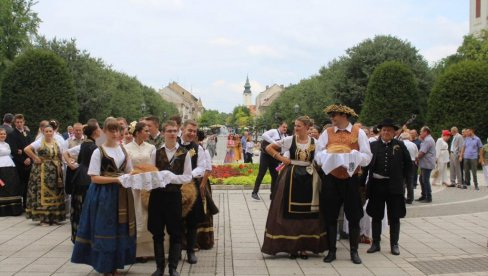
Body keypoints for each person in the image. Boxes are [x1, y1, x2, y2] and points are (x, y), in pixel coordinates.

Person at [71, 117, 136, 275]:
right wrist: (117, 179)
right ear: (104, 132)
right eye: (111, 130)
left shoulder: (123, 150)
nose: (115, 133)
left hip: (122, 194)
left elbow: (130, 171)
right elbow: (94, 177)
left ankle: (116, 264)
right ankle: (105, 266)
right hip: (103, 195)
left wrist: (135, 176)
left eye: (118, 130)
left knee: (119, 229)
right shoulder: (98, 151)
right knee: (105, 229)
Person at [261, 116, 327, 259]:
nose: (295, 128)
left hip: (309, 178)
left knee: (308, 212)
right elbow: (268, 147)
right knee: (288, 212)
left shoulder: (315, 142)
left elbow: (321, 158)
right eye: (295, 125)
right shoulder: (290, 140)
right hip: (291, 176)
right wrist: (281, 158)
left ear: (307, 127)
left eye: (299, 126)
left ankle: (304, 247)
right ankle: (292, 246)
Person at [315, 104, 372, 264]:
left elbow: (367, 157)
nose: (332, 118)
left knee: (354, 216)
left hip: (351, 178)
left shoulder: (358, 132)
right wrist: (325, 156)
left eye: (335, 115)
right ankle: (331, 251)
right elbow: (317, 154)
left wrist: (354, 156)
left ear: (345, 116)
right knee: (330, 215)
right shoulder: (327, 133)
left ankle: (354, 252)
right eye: (331, 115)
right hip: (331, 179)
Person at [148, 120, 192, 276]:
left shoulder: (184, 153)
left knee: (175, 232)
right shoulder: (156, 152)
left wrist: (171, 178)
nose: (172, 134)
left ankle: (173, 267)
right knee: (157, 232)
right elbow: (150, 175)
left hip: (174, 196)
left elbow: (187, 177)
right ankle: (160, 267)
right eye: (169, 131)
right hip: (157, 196)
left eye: (175, 131)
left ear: (178, 132)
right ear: (164, 133)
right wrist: (159, 178)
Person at [363, 119, 411, 256]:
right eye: (384, 130)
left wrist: (407, 183)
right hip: (377, 185)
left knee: (394, 216)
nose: (386, 132)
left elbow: (408, 165)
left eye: (389, 130)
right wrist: (361, 183)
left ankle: (394, 244)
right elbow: (366, 166)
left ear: (394, 132)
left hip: (394, 186)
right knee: (376, 215)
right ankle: (376, 243)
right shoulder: (373, 146)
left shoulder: (400, 145)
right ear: (380, 131)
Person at [124, 121, 157, 262]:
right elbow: (126, 167)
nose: (148, 133)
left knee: (147, 216)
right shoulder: (126, 148)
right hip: (133, 186)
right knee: (134, 215)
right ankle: (133, 250)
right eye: (146, 130)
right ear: (137, 133)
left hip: (148, 185)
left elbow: (154, 166)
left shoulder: (151, 148)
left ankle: (147, 250)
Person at [64, 119, 100, 242]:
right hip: (88, 177)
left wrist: (71, 163)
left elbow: (69, 154)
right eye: (98, 128)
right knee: (86, 207)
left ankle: (78, 235)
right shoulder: (94, 147)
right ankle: (86, 237)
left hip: (80, 175)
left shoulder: (85, 144)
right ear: (95, 132)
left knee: (78, 207)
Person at [24, 121, 66, 225]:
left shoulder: (57, 142)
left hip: (55, 171)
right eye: (46, 131)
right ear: (43, 132)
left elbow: (61, 154)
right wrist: (35, 158)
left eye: (50, 131)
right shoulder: (39, 142)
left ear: (53, 132)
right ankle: (43, 218)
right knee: (43, 193)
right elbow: (27, 149)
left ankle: (54, 217)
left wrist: (63, 164)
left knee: (56, 192)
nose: (48, 133)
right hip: (42, 171)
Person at [178, 120, 206, 264]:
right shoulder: (174, 144)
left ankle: (190, 251)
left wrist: (188, 176)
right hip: (174, 186)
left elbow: (201, 167)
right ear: (182, 129)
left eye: (194, 131)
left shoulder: (197, 148)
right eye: (189, 130)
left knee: (192, 221)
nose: (192, 133)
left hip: (191, 188)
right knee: (175, 220)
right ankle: (176, 251)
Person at [251, 122, 288, 200]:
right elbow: (264, 135)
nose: (285, 129)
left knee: (275, 176)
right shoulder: (274, 131)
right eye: (283, 127)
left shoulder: (285, 136)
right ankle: (254, 192)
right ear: (279, 126)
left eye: (286, 127)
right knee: (261, 173)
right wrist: (274, 143)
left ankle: (273, 194)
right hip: (266, 155)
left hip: (274, 157)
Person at [195, 129, 218, 249]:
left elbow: (208, 169)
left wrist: (203, 184)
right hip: (192, 182)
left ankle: (204, 239)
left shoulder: (203, 151)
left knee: (204, 211)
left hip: (201, 182)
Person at [7, 114, 32, 208]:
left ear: (24, 122)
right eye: (17, 122)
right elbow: (13, 150)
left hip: (29, 161)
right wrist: (23, 159)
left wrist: (29, 157)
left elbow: (31, 147)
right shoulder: (12, 135)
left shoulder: (27, 133)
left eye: (21, 122)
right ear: (14, 123)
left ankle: (27, 204)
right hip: (19, 164)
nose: (19, 124)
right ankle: (19, 205)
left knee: (28, 184)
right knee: (20, 185)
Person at [0, 128, 22, 216]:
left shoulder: (7, 144)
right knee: (2, 189)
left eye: (4, 134)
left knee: (12, 188)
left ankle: (13, 210)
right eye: (0, 134)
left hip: (10, 167)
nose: (2, 135)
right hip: (1, 168)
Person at [65, 123, 85, 196]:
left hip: (84, 169)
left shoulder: (86, 140)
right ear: (73, 130)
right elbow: (64, 154)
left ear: (83, 130)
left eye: (80, 130)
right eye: (76, 130)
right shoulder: (68, 141)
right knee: (72, 190)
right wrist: (69, 162)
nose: (78, 132)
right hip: (72, 168)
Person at [416, 126, 436, 203]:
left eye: (421, 131)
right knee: (422, 179)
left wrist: (416, 158)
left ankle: (428, 197)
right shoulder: (428, 139)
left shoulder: (428, 140)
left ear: (425, 132)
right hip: (426, 163)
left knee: (425, 180)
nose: (420, 133)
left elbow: (422, 152)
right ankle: (424, 195)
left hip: (427, 163)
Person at [398, 133, 418, 204]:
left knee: (402, 181)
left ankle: (402, 197)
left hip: (402, 163)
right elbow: (416, 156)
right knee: (410, 181)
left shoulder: (400, 144)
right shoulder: (413, 144)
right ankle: (410, 198)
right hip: (412, 163)